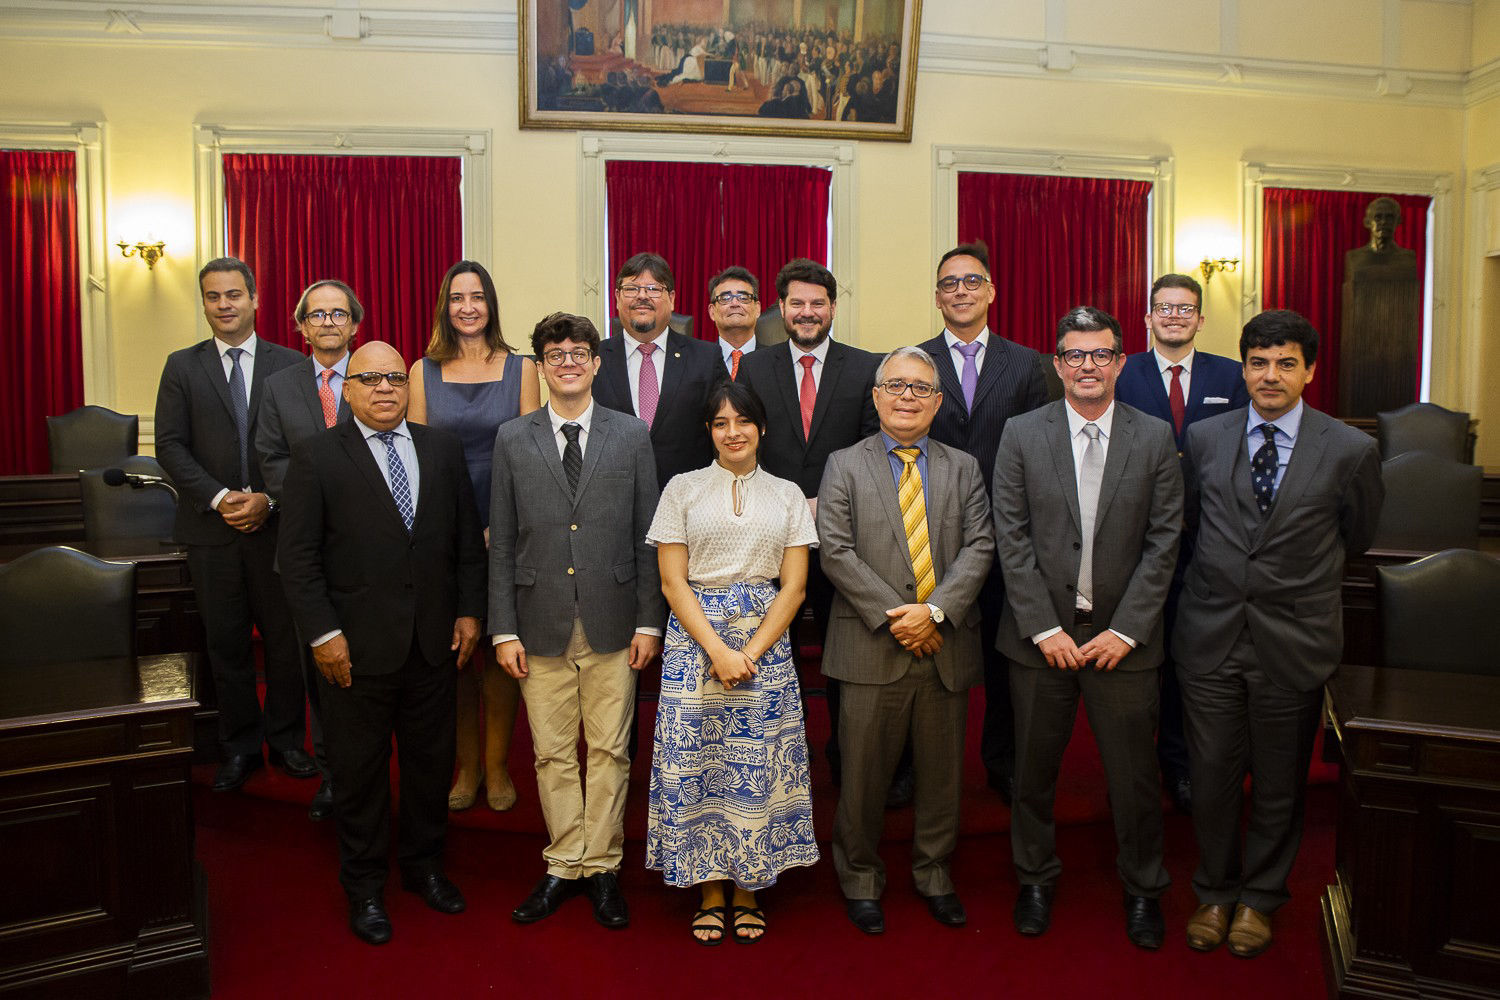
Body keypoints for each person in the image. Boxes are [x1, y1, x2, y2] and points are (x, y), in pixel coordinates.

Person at [1173, 309, 1382, 958]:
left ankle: (1261, 899)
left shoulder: (1350, 449)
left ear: (1310, 371)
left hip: (1292, 645)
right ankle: (1214, 890)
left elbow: (1359, 537)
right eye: (1259, 362)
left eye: (1286, 362)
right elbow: (1189, 525)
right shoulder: (1205, 438)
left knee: (1279, 783)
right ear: (1242, 368)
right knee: (1209, 779)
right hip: (1210, 637)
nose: (1271, 375)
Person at [277, 341, 486, 945]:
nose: (385, 389)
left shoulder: (440, 449)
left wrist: (470, 613)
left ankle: (424, 868)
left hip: (433, 646)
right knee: (360, 773)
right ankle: (365, 886)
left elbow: (465, 541)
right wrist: (324, 633)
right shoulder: (316, 456)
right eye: (369, 379)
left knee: (429, 767)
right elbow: (297, 560)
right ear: (348, 389)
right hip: (352, 653)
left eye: (395, 378)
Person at [992, 306, 1183, 951]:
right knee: (1033, 772)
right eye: (1074, 355)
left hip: (1123, 645)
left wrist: (1127, 630)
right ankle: (1036, 878)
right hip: (1040, 640)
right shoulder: (1021, 433)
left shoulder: (1155, 437)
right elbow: (1009, 535)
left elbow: (1164, 542)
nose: (1087, 366)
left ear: (1120, 362)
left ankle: (1143, 887)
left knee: (1133, 779)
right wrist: (1042, 627)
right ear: (1057, 363)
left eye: (1100, 354)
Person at [491, 312, 665, 931]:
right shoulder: (513, 437)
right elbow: (504, 538)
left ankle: (604, 867)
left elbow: (650, 536)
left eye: (579, 352)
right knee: (552, 753)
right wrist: (503, 629)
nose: (567, 361)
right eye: (555, 352)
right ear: (540, 365)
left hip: (616, 621)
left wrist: (651, 623)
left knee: (612, 751)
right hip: (536, 624)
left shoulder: (630, 434)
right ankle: (564, 862)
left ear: (595, 363)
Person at [818, 346, 996, 935]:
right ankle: (861, 879)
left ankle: (935, 874)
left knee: (943, 778)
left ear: (938, 402)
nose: (907, 397)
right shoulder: (844, 463)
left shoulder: (964, 466)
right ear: (876, 396)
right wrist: (899, 616)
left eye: (921, 388)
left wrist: (936, 612)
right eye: (896, 385)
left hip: (945, 646)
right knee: (864, 778)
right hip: (872, 646)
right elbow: (835, 548)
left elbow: (981, 546)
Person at [644, 381, 820, 945]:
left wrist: (750, 651)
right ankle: (709, 887)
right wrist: (718, 650)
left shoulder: (789, 493)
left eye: (742, 420)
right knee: (702, 766)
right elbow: (673, 581)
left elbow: (793, 588)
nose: (732, 432)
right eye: (720, 423)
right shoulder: (682, 489)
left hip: (765, 640)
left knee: (756, 767)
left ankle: (749, 886)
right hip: (695, 642)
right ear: (709, 432)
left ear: (761, 427)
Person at [154, 256, 316, 793]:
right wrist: (222, 497)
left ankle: (288, 741)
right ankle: (240, 746)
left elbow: (305, 451)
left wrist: (269, 499)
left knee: (286, 642)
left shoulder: (292, 365)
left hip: (277, 529)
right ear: (204, 303)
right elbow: (170, 446)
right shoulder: (182, 365)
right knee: (225, 643)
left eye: (233, 295)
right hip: (211, 531)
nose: (224, 305)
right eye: (213, 297)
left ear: (254, 298)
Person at [734, 258, 881, 790]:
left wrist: (829, 503)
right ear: (781, 309)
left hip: (846, 536)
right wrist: (791, 506)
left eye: (818, 303)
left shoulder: (866, 367)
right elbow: (747, 444)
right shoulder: (755, 368)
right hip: (773, 537)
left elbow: (873, 450)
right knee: (776, 652)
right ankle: (781, 760)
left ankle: (849, 757)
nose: (807, 312)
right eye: (797, 303)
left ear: (833, 308)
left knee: (847, 652)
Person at [408, 260, 541, 814]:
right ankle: (465, 768)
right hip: (441, 528)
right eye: (457, 297)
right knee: (457, 653)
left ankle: (496, 765)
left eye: (478, 296)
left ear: (491, 305)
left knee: (500, 649)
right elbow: (415, 456)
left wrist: (500, 525)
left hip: (504, 525)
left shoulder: (522, 368)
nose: (468, 306)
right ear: (446, 304)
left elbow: (531, 454)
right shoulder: (421, 370)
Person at [1114, 273, 1249, 816]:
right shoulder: (1123, 372)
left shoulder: (1233, 376)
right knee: (1135, 659)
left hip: (1206, 543)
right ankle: (1129, 768)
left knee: (1189, 661)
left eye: (1185, 308)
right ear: (1147, 317)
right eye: (1164, 307)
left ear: (1200, 318)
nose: (1174, 315)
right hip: (1132, 541)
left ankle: (1180, 762)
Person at [918, 241, 1048, 805]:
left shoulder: (1028, 364)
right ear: (938, 296)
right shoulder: (914, 363)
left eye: (972, 281)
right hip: (927, 536)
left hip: (1007, 537)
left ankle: (1004, 763)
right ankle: (915, 768)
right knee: (924, 660)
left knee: (1004, 663)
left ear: (991, 291)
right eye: (950, 283)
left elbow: (1041, 455)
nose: (961, 291)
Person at [255, 278, 362, 820]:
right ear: (300, 326)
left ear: (354, 324)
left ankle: (365, 769)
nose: (327, 322)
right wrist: (311, 504)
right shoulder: (277, 386)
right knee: (319, 667)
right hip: (302, 548)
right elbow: (270, 458)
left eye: (338, 314)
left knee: (367, 668)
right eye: (316, 314)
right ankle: (330, 776)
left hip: (367, 549)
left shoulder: (375, 375)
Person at [594, 252, 729, 493]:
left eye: (654, 289)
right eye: (631, 288)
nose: (642, 296)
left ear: (672, 298)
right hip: (611, 502)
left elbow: (726, 430)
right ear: (616, 297)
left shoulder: (706, 358)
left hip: (690, 499)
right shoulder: (593, 359)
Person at [706, 266, 763, 381]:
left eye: (743, 297)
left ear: (757, 309)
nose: (735, 303)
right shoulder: (699, 361)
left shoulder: (775, 362)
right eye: (725, 298)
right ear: (712, 312)